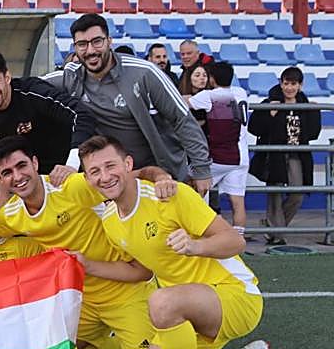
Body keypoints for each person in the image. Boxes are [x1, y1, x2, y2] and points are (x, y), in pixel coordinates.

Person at [79, 134, 281, 349]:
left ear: (128, 164)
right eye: (95, 171)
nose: (104, 176)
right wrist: (87, 266)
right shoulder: (110, 220)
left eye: (110, 166)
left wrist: (195, 246)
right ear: (88, 178)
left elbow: (235, 240)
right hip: (183, 309)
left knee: (160, 302)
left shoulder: (170, 197)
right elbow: (140, 271)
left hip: (234, 296)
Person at [0, 136, 165, 349]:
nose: (17, 176)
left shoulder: (69, 187)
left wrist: (163, 176)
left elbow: (135, 175)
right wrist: (0, 195)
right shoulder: (12, 214)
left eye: (22, 166)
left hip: (126, 291)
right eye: (7, 173)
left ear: (36, 163)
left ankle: (199, 347)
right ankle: (108, 347)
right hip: (81, 300)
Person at [42, 13, 211, 190]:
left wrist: (202, 170)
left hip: (158, 177)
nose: (90, 50)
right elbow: (30, 87)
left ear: (109, 41)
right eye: (82, 44)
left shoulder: (144, 73)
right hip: (110, 182)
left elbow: (182, 119)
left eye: (97, 41)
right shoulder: (71, 77)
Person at [0, 49, 95, 179]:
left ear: (7, 77)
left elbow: (81, 115)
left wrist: (72, 165)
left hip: (66, 170)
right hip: (29, 176)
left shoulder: (33, 93)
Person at [249, 66, 322, 245]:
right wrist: (269, 115)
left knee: (298, 193)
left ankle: (271, 226)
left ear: (300, 85)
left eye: (294, 84)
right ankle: (277, 235)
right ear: (280, 84)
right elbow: (254, 128)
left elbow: (313, 134)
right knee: (274, 194)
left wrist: (313, 114)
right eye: (286, 83)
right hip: (274, 155)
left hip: (298, 154)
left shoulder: (305, 104)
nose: (289, 88)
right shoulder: (270, 102)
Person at [187, 62, 250, 234]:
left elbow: (185, 102)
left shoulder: (209, 95)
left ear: (212, 79)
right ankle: (238, 241)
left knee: (191, 184)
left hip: (219, 157)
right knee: (238, 203)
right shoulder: (240, 92)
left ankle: (200, 232)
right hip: (242, 157)